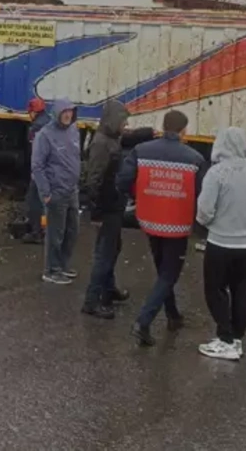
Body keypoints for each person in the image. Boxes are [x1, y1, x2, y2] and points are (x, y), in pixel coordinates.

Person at [117, 110, 207, 347]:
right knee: (169, 274)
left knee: (162, 270)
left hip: (149, 220)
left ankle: (173, 314)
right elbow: (202, 196)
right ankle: (143, 322)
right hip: (177, 225)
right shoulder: (195, 159)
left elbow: (123, 181)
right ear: (182, 130)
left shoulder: (142, 151)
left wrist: (141, 194)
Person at [196, 127, 246, 361]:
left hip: (220, 242)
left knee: (215, 290)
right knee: (241, 289)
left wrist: (208, 223)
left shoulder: (216, 173)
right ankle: (237, 336)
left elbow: (205, 210)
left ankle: (225, 338)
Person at [80, 101, 156, 319]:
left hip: (114, 205)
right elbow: (93, 181)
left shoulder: (111, 138)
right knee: (105, 254)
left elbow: (128, 137)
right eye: (123, 121)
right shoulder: (101, 145)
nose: (125, 125)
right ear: (114, 120)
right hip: (106, 208)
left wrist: (149, 133)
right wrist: (95, 213)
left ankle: (108, 289)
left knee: (113, 248)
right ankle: (92, 301)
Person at [32, 99, 82, 285]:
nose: (68, 115)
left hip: (72, 190)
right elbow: (37, 166)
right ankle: (51, 270)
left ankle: (62, 265)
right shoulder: (44, 135)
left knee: (72, 230)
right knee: (56, 233)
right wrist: (46, 193)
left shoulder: (73, 130)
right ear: (57, 113)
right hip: (56, 192)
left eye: (70, 111)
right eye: (65, 112)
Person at [22, 97, 50, 244]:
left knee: (33, 201)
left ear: (34, 112)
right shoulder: (51, 123)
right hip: (53, 170)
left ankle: (37, 233)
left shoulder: (36, 128)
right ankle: (47, 231)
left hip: (41, 171)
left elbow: (35, 152)